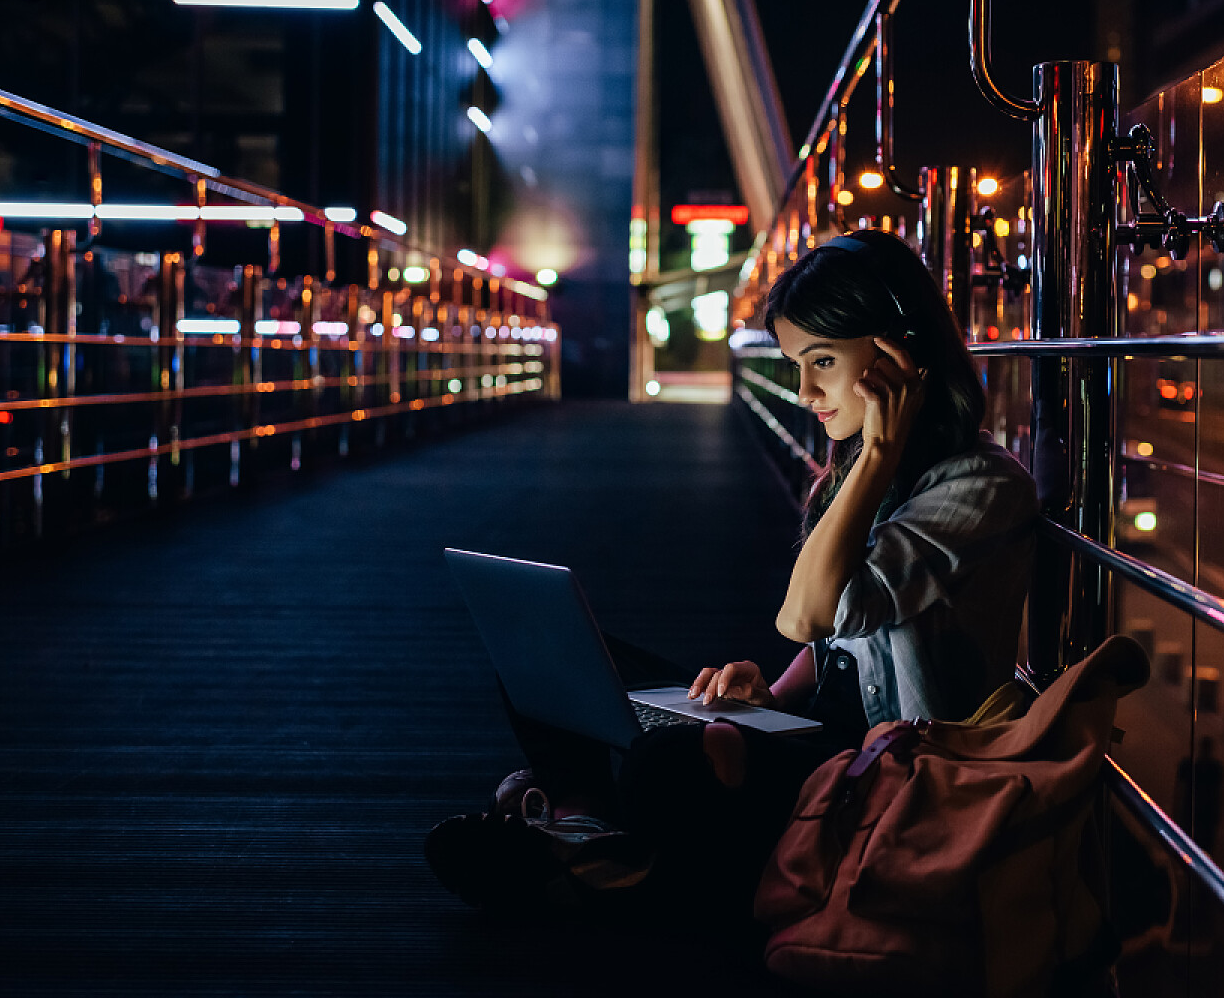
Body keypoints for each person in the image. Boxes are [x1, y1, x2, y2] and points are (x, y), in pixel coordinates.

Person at [427, 230, 1039, 917]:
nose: (805, 390)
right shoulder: (849, 479)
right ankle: (586, 835)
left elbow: (808, 613)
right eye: (793, 363)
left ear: (900, 351)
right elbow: (831, 648)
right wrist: (767, 691)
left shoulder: (981, 488)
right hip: (812, 732)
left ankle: (582, 850)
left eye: (823, 360)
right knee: (543, 665)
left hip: (881, 770)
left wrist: (876, 455)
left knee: (675, 763)